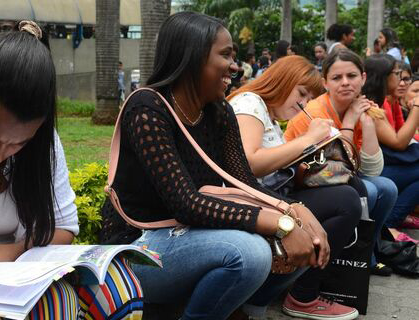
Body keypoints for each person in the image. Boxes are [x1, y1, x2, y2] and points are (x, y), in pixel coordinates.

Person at [99, 11, 330, 319]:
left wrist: (295, 211)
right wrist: (280, 223)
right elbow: (185, 203)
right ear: (192, 57)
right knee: (249, 253)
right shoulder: (147, 108)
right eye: (225, 55)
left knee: (308, 234)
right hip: (136, 249)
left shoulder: (218, 111)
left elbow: (244, 184)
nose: (235, 67)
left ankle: (243, 310)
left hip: (189, 237)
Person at [0, 21, 143, 319]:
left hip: (19, 262)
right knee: (54, 305)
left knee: (120, 289)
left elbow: (63, 227)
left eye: (18, 143)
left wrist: (16, 251)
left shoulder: (41, 141)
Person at [227, 55, 360, 320]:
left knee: (352, 189)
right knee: (346, 201)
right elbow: (249, 164)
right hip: (251, 200)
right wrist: (308, 139)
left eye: (308, 98)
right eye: (301, 93)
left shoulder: (271, 117)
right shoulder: (250, 103)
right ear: (281, 80)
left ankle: (288, 292)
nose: (303, 104)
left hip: (270, 196)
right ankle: (299, 295)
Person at [285, 49, 398, 277]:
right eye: (337, 78)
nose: (345, 83)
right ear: (325, 83)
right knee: (371, 190)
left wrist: (366, 121)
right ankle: (342, 262)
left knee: (387, 187)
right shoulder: (317, 112)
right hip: (306, 181)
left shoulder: (361, 107)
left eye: (352, 76)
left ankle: (364, 253)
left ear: (363, 78)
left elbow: (373, 169)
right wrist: (349, 121)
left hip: (340, 177)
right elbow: (339, 167)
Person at [362, 55, 419, 243]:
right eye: (397, 75)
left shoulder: (389, 100)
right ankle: (390, 222)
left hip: (381, 164)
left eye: (406, 78)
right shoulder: (372, 104)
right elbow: (399, 142)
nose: (401, 80)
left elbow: (405, 137)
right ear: (383, 77)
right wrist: (417, 108)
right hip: (370, 169)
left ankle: (395, 217)